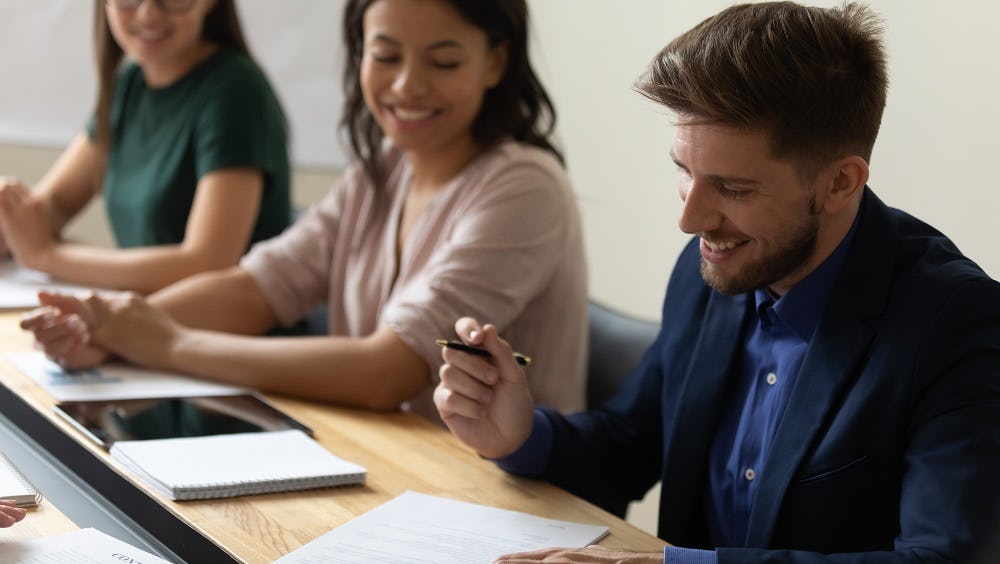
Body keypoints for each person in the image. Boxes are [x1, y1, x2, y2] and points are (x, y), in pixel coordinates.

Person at [433, 2, 1000, 562]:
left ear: (840, 183)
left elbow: (943, 558)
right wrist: (520, 436)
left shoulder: (956, 320)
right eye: (684, 171)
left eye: (733, 188)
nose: (690, 220)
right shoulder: (713, 266)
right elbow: (631, 443)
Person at [20, 0, 587, 419]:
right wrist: (112, 333)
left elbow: (386, 372)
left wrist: (166, 341)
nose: (407, 85)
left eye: (442, 62)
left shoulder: (524, 188)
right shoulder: (383, 167)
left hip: (499, 499)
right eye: (385, 56)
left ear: (495, 63)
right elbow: (256, 287)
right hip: (387, 461)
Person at [0, 0, 290, 294]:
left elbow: (207, 264)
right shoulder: (130, 82)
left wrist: (48, 257)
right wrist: (9, 219)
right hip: (147, 324)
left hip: (222, 335)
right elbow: (54, 204)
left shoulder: (236, 91)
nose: (148, 14)